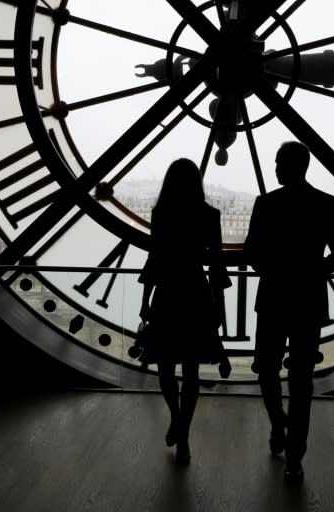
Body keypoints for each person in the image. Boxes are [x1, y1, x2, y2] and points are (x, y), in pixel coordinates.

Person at [243, 141, 334, 483]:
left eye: (277, 162)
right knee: (302, 381)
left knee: (266, 369)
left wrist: (273, 270)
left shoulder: (266, 204)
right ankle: (294, 457)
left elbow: (251, 253)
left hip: (274, 297)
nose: (274, 167)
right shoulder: (327, 204)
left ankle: (278, 424)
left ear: (286, 166)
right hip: (308, 299)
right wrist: (312, 271)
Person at [138, 158, 232, 465]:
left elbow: (155, 260)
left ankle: (177, 420)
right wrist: (218, 306)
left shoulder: (161, 214)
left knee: (165, 367)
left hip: (167, 295)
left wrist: (145, 300)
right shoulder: (209, 215)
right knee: (191, 370)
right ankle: (183, 432)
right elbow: (216, 267)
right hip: (196, 295)